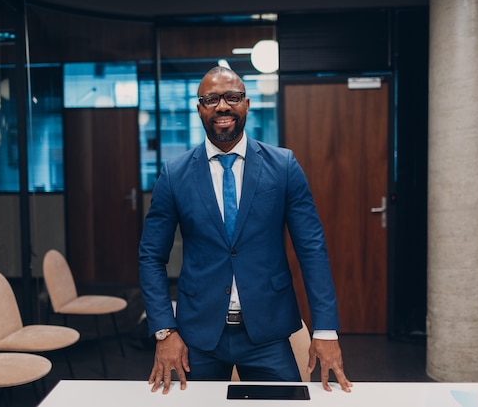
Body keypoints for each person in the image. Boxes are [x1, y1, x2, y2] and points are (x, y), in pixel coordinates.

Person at [138, 66, 352, 395]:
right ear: (199, 109)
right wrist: (165, 331)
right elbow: (151, 256)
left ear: (246, 104)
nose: (222, 106)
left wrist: (325, 330)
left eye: (232, 97)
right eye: (211, 99)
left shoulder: (283, 166)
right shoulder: (175, 174)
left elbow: (311, 249)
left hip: (267, 332)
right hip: (198, 334)